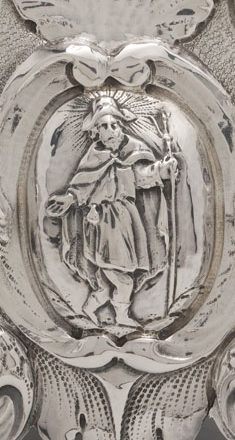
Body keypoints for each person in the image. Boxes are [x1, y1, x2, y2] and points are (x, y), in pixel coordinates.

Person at [46, 95, 178, 328]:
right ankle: (122, 316)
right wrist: (69, 199)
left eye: (114, 125)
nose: (110, 131)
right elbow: (83, 185)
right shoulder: (94, 157)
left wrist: (162, 169)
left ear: (121, 127)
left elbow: (142, 176)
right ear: (95, 132)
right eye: (104, 126)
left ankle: (88, 310)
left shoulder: (133, 151)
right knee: (123, 281)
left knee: (106, 284)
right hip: (104, 224)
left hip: (128, 222)